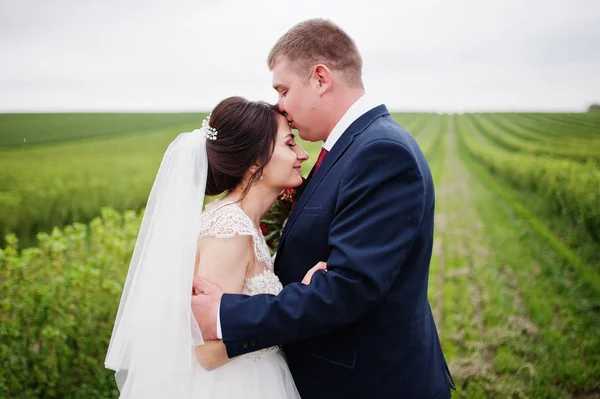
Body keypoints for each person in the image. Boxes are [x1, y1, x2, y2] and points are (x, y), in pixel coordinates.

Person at [192, 19, 456, 398]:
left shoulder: (381, 152)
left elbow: (350, 287)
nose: (279, 105)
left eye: (283, 89)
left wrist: (227, 313)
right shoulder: (354, 147)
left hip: (372, 384)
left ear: (320, 78)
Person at [105, 96, 325, 398]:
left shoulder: (241, 223)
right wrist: (299, 304)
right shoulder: (229, 230)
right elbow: (206, 352)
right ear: (254, 161)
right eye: (289, 144)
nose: (302, 153)